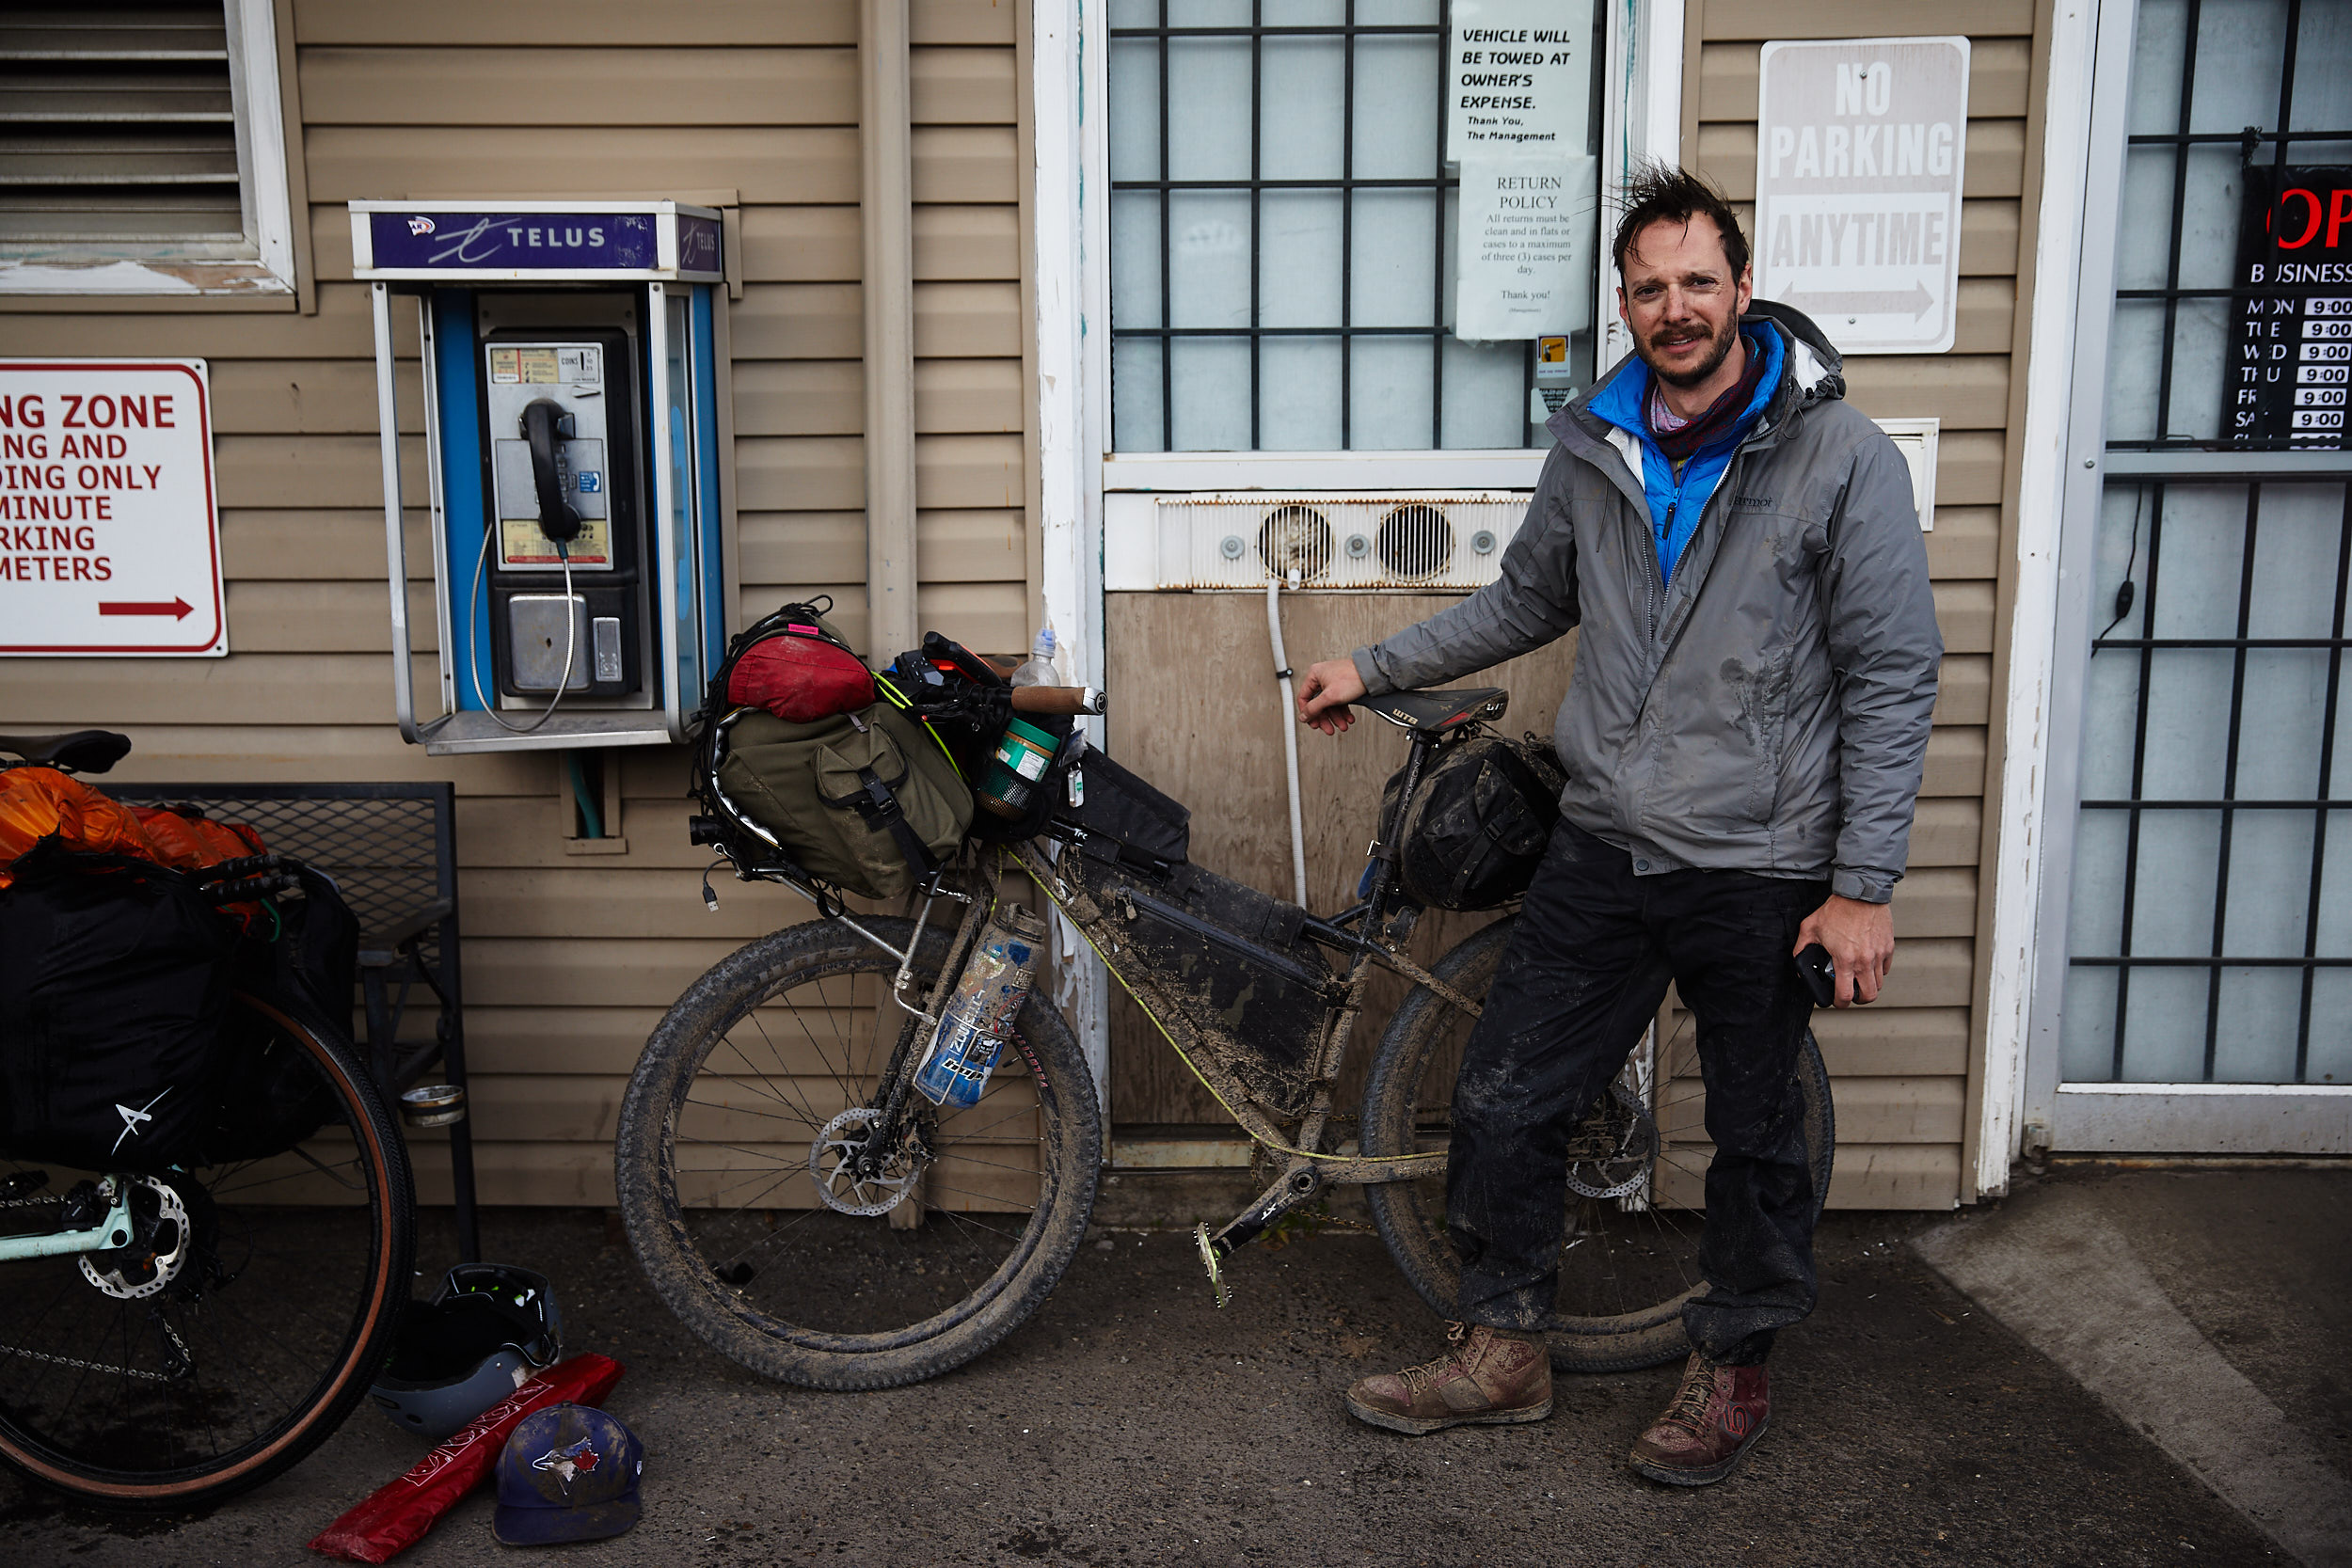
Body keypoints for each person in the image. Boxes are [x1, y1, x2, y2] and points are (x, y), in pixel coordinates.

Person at [1295, 164, 1942, 1486]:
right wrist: (1374, 664)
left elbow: (1894, 672)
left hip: (1761, 860)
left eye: (1698, 281)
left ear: (1743, 289)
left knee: (1756, 1129)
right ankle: (1506, 1345)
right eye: (1649, 288)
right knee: (1504, 1090)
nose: (1675, 307)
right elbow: (1524, 601)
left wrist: (1862, 883)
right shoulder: (1597, 443)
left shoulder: (1841, 457)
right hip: (1607, 837)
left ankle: (1734, 1367)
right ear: (1627, 304)